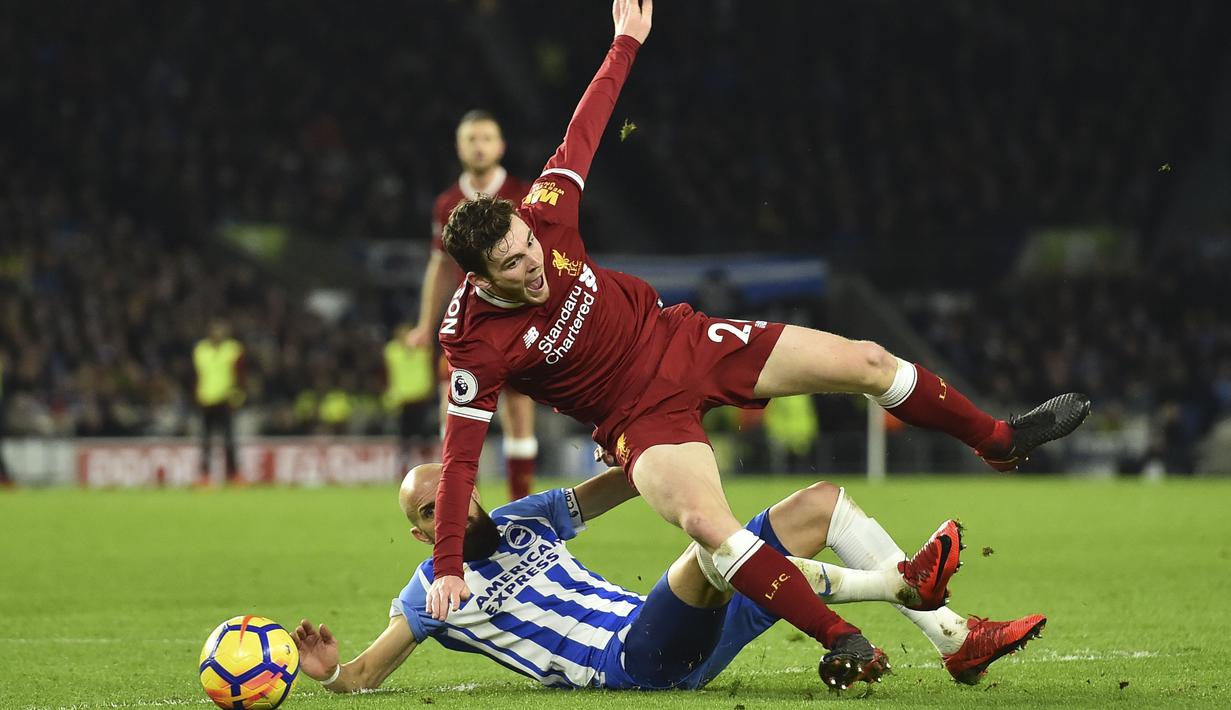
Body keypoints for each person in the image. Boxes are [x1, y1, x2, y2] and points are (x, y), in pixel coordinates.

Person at [428, 0, 1088, 686]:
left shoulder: (542, 213)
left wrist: (626, 41)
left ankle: (998, 441)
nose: (532, 263)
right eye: (511, 265)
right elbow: (458, 460)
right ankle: (849, 638)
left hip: (682, 339)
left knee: (867, 360)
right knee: (710, 526)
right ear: (478, 278)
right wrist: (448, 567)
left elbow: (588, 124)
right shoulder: (472, 340)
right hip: (634, 416)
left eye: (527, 246)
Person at [292, 462, 1044, 693]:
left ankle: (953, 638)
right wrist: (330, 673)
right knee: (709, 546)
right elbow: (365, 675)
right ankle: (901, 585)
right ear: (421, 532)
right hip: (629, 661)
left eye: (453, 492)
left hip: (681, 627)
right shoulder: (431, 590)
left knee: (819, 503)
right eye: (430, 511)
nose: (448, 510)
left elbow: (625, 480)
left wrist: (644, 434)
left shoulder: (526, 517)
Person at [405, 109, 540, 501]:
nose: (479, 146)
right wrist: (424, 324)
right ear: (459, 147)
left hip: (516, 322)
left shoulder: (524, 194)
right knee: (455, 417)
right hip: (467, 326)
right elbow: (439, 266)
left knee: (519, 414)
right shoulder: (447, 202)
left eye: (486, 138)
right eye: (471, 139)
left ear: (500, 146)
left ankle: (519, 510)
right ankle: (469, 511)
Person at [193, 319, 244, 485]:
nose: (217, 334)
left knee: (229, 440)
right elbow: (195, 374)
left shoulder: (233, 349)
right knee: (205, 441)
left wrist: (238, 394)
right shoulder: (201, 350)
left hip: (225, 399)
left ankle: (233, 475)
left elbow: (241, 374)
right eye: (215, 330)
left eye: (220, 330)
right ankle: (204, 475)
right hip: (206, 400)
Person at [383, 323, 438, 477]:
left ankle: (428, 469)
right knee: (404, 439)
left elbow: (431, 367)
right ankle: (402, 470)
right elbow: (387, 373)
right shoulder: (392, 351)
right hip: (403, 400)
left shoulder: (423, 349)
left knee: (425, 438)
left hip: (421, 398)